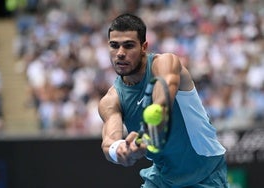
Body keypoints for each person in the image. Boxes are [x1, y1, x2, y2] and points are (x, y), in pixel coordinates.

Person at [98, 13, 229, 188]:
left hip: (205, 175)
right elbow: (109, 142)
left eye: (128, 46)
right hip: (162, 180)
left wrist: (150, 130)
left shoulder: (166, 62)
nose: (120, 53)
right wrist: (120, 149)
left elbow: (162, 103)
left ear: (144, 46)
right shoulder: (111, 99)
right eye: (114, 46)